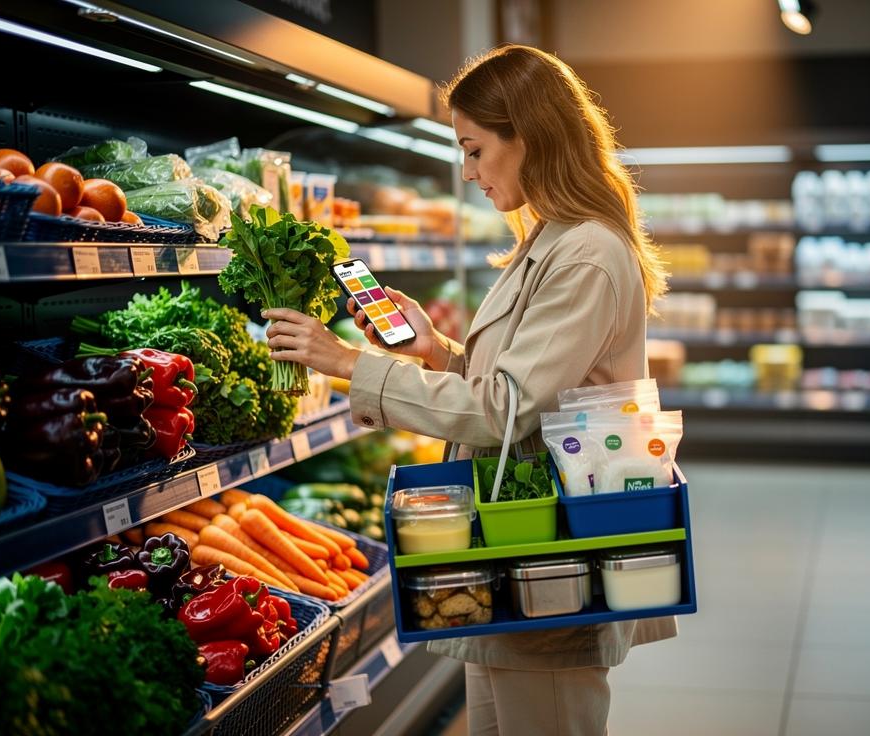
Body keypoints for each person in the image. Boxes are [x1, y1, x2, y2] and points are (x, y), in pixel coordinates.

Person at [263, 43, 674, 735]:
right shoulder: (554, 239)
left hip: (550, 552)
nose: (468, 171)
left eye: (476, 149)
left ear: (531, 138)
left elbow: (502, 411)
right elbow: (523, 386)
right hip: (513, 542)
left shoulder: (586, 254)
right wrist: (437, 353)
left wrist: (348, 362)